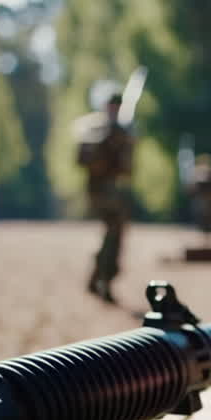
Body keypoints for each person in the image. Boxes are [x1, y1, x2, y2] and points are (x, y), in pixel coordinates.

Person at [74, 93, 134, 303]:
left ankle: (99, 277)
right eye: (112, 106)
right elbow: (82, 159)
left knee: (115, 235)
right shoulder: (93, 128)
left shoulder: (124, 131)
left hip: (115, 192)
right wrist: (106, 140)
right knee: (113, 232)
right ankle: (104, 279)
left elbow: (127, 169)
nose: (115, 110)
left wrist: (124, 143)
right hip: (99, 191)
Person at [187, 153, 211, 240]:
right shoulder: (203, 172)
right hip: (205, 198)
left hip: (206, 198)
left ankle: (207, 229)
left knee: (206, 214)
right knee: (205, 214)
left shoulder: (200, 172)